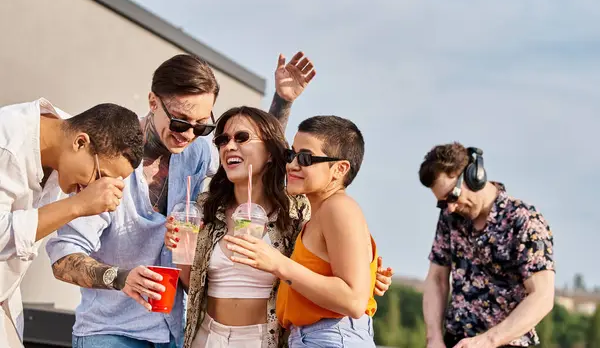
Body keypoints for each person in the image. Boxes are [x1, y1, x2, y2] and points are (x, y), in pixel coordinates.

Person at [46, 51, 316, 348]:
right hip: (110, 333)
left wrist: (283, 100)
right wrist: (121, 278)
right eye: (180, 122)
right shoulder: (107, 160)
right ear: (153, 102)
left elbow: (253, 156)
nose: (189, 134)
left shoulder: (196, 151)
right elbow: (63, 259)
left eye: (202, 126)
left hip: (172, 333)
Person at [167, 109, 391, 348]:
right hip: (208, 336)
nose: (229, 146)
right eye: (222, 140)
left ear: (271, 153)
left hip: (270, 339)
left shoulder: (300, 212)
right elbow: (195, 286)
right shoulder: (204, 208)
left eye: (242, 138)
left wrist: (368, 277)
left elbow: (344, 281)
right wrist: (182, 253)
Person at [224, 115, 380, 348]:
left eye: (305, 158)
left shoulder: (339, 208)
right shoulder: (320, 214)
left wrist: (277, 263)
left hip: (331, 337)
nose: (292, 164)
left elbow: (354, 300)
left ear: (339, 169)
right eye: (291, 155)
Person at [0, 98, 144, 348]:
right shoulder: (7, 142)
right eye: (100, 177)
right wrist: (77, 205)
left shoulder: (68, 137)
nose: (97, 189)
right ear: (81, 142)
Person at [418, 143, 555, 348]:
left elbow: (542, 296)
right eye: (443, 202)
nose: (451, 207)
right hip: (455, 341)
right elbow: (436, 279)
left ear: (474, 176)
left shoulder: (525, 220)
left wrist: (488, 340)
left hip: (507, 343)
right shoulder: (450, 216)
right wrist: (434, 338)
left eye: (453, 196)